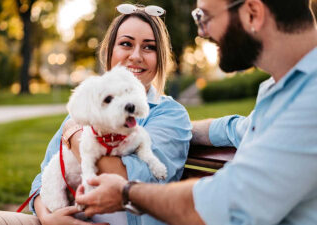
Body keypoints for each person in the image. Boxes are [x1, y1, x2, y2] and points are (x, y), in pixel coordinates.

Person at [0, 4, 192, 225]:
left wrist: (74, 136)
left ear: (160, 58)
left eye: (149, 47)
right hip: (55, 218)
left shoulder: (170, 115)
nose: (136, 56)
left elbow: (131, 180)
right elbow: (44, 175)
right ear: (109, 52)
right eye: (126, 44)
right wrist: (48, 217)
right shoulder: (90, 104)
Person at [74, 0, 317, 225]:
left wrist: (127, 193)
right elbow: (234, 128)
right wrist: (182, 129)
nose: (202, 33)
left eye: (204, 17)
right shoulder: (284, 90)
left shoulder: (310, 102)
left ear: (252, 13)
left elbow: (223, 205)